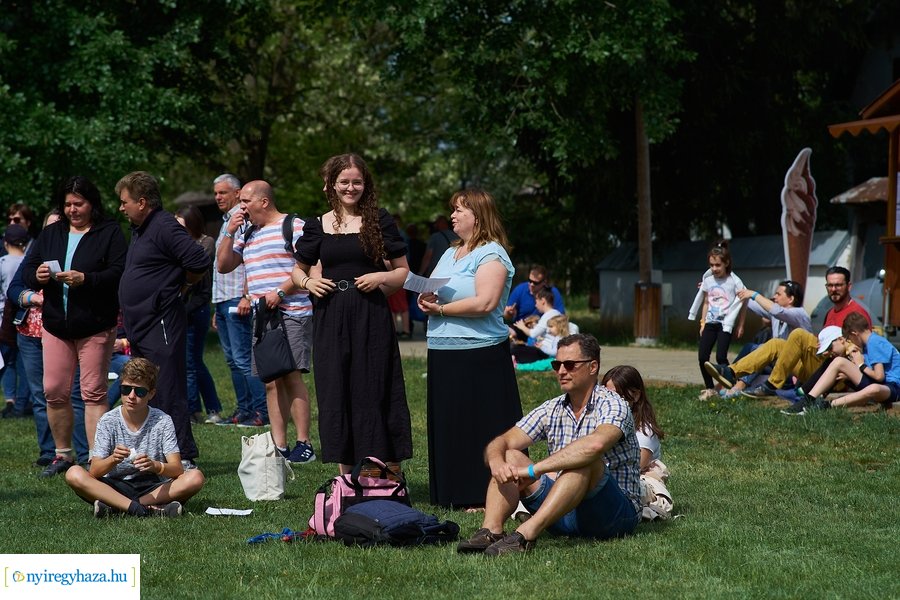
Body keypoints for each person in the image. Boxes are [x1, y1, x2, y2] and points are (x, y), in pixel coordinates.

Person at [456, 334, 640, 555]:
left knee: (586, 462)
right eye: (557, 364)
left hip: (614, 517)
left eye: (570, 365)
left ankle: (525, 536)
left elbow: (594, 446)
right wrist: (496, 462)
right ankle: (490, 531)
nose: (561, 371)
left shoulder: (613, 404)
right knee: (510, 455)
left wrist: (533, 470)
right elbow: (502, 441)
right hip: (564, 510)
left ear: (593, 367)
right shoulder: (552, 408)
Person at [292, 153, 412, 474]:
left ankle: (385, 469)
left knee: (373, 386)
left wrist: (381, 277)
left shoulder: (380, 220)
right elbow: (297, 270)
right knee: (336, 388)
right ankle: (347, 476)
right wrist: (308, 282)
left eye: (356, 181)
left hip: (370, 314)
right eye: (344, 181)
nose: (350, 187)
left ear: (365, 183)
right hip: (331, 315)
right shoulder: (317, 224)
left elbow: (402, 272)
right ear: (331, 184)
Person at [417, 187, 522, 508]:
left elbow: (486, 302)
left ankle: (484, 492)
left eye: (460, 210)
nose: (453, 215)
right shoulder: (451, 251)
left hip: (480, 354)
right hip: (443, 350)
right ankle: (451, 492)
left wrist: (443, 310)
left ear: (478, 216)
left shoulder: (492, 253)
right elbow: (440, 288)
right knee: (451, 426)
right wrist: (427, 298)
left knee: (481, 427)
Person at [22, 177, 128, 477]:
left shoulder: (109, 232)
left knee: (93, 392)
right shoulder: (51, 233)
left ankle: (97, 459)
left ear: (91, 203)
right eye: (67, 204)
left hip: (95, 324)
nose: (72, 209)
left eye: (78, 204)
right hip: (56, 325)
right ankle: (63, 454)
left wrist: (87, 279)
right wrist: (39, 275)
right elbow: (28, 270)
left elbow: (119, 271)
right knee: (54, 390)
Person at [218, 179, 316, 462]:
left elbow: (309, 267)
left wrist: (281, 291)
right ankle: (280, 444)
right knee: (271, 379)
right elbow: (223, 266)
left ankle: (304, 443)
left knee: (292, 375)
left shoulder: (294, 226)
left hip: (293, 311)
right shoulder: (246, 232)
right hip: (263, 317)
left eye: (246, 201)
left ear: (264, 201)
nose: (241, 206)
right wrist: (229, 229)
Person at [117, 171, 210, 467]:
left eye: (125, 202)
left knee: (168, 389)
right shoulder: (141, 228)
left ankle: (183, 456)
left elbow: (198, 261)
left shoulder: (164, 226)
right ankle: (157, 452)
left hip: (161, 323)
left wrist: (180, 287)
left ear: (142, 202)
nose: (122, 207)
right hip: (142, 325)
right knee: (146, 390)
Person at [64, 358, 205, 517]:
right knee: (74, 473)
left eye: (139, 391)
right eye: (126, 389)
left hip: (153, 486)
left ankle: (119, 507)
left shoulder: (162, 421)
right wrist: (113, 459)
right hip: (113, 485)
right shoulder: (108, 420)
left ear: (151, 394)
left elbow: (177, 468)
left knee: (195, 477)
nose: (131, 396)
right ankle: (148, 509)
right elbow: (95, 471)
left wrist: (155, 466)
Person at [705, 266, 872, 398]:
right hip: (817, 368)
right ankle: (732, 372)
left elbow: (863, 350)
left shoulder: (857, 313)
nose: (834, 289)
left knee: (798, 334)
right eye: (830, 285)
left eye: (838, 285)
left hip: (837, 375)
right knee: (776, 343)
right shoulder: (830, 312)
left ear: (849, 286)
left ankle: (770, 385)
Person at [210, 174, 267, 426]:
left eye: (223, 192)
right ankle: (243, 410)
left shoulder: (244, 218)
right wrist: (216, 305)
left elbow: (248, 259)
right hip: (223, 298)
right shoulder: (228, 221)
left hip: (237, 297)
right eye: (215, 193)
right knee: (233, 360)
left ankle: (261, 412)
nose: (218, 197)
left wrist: (246, 295)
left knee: (244, 358)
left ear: (236, 193)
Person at [782, 313, 900, 414]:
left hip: (893, 388)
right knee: (839, 361)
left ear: (854, 333)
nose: (849, 341)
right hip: (884, 385)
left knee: (873, 388)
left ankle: (824, 406)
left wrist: (860, 365)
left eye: (849, 338)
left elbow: (879, 377)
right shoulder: (869, 343)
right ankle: (808, 400)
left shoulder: (874, 342)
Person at [602, 364, 672, 521]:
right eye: (607, 394)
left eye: (618, 395)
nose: (612, 401)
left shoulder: (644, 430)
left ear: (636, 396)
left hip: (638, 482)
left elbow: (634, 466)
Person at [718, 280, 812, 397]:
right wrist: (721, 288)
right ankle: (730, 379)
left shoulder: (799, 314)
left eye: (778, 294)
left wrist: (754, 294)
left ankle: (739, 386)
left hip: (795, 371)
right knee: (750, 347)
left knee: (761, 348)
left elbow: (775, 310)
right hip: (777, 366)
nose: (774, 297)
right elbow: (750, 303)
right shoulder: (778, 315)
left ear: (791, 299)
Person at [175, 206, 222, 425]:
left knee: (190, 363)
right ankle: (213, 408)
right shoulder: (177, 244)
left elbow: (194, 266)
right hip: (183, 307)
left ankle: (193, 411)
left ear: (192, 224)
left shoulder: (206, 242)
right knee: (194, 361)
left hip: (196, 308)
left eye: (181, 225)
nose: (177, 229)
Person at [689, 240, 746, 398]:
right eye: (711, 265)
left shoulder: (734, 281)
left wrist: (741, 325)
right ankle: (710, 389)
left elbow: (743, 302)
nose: (714, 269)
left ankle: (732, 384)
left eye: (717, 265)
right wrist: (702, 322)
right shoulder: (708, 281)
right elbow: (706, 302)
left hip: (725, 325)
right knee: (702, 357)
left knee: (721, 357)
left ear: (726, 263)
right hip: (710, 323)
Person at [1, 224, 29, 418]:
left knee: (6, 362)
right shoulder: (28, 262)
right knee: (23, 363)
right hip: (24, 316)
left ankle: (10, 399)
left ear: (5, 243)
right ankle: (22, 401)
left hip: (3, 317)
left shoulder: (2, 262)